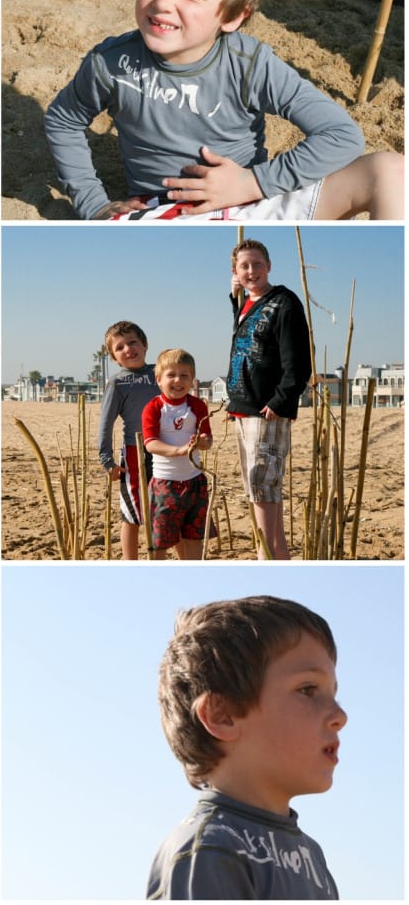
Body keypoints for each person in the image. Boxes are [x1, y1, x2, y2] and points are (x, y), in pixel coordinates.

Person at [44, 0, 403, 222]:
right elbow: (63, 119)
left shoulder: (250, 64)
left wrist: (250, 182)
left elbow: (343, 136)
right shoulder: (112, 63)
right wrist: (94, 204)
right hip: (172, 215)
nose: (164, 1)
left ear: (232, 16)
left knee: (390, 171)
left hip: (257, 201)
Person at [146, 593, 347, 899]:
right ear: (222, 716)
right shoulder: (210, 849)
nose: (339, 716)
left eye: (333, 694)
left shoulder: (312, 856)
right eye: (308, 690)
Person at [227, 238, 311, 560]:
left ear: (269, 266)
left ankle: (266, 557)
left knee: (263, 485)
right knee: (260, 488)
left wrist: (280, 401)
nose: (251, 271)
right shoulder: (244, 303)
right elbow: (245, 342)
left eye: (257, 264)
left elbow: (299, 362)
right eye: (244, 267)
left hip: (266, 412)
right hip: (243, 410)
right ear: (235, 272)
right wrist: (233, 293)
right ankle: (276, 554)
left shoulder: (284, 303)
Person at [141, 348, 213, 560]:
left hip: (194, 482)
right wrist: (179, 451)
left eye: (184, 376)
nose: (178, 380)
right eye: (171, 375)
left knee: (193, 539)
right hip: (165, 483)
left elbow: (208, 439)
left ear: (192, 380)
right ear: (159, 380)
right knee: (159, 543)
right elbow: (151, 444)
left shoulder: (198, 406)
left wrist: (202, 443)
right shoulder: (154, 407)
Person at [98, 320, 159, 559]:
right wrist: (106, 460)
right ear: (114, 358)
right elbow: (105, 423)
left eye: (132, 342)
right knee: (132, 515)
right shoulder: (117, 383)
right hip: (135, 453)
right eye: (120, 347)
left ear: (144, 345)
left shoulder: (161, 373)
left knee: (166, 511)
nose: (128, 349)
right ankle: (130, 561)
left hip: (167, 452)